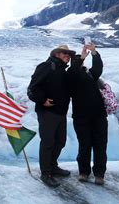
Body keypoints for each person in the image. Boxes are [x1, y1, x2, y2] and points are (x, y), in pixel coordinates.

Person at [27, 44, 75, 188]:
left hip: (60, 112)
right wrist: (42, 100)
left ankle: (53, 166)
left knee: (60, 141)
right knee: (48, 143)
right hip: (47, 112)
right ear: (56, 54)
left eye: (69, 54)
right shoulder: (46, 66)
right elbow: (32, 88)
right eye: (65, 53)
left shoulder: (62, 70)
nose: (68, 56)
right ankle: (46, 173)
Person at [67, 43, 107, 185]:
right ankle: (84, 172)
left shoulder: (91, 74)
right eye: (78, 61)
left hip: (99, 115)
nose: (81, 62)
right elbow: (72, 72)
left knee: (100, 145)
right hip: (81, 116)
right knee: (84, 145)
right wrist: (81, 58)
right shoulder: (71, 76)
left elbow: (98, 68)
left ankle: (99, 174)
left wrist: (94, 53)